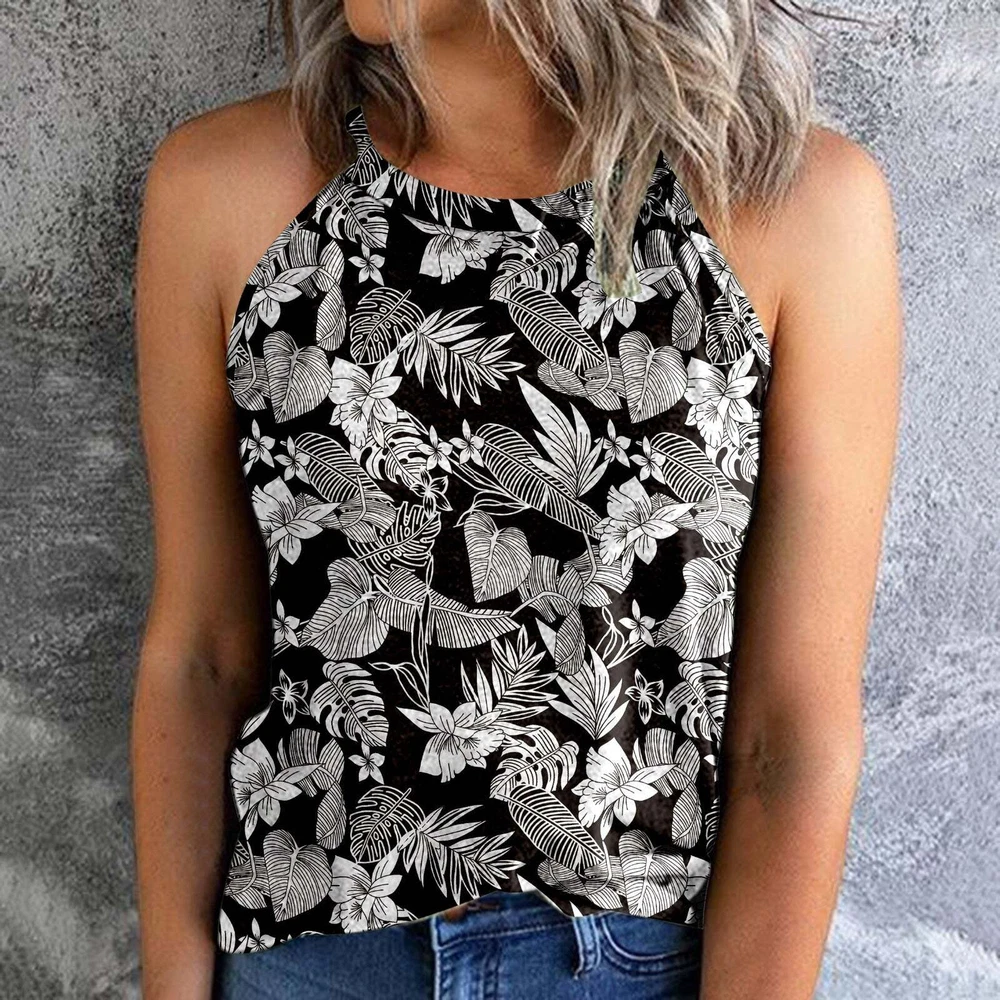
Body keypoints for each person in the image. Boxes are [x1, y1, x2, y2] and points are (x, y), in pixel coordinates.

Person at [130, 2, 902, 998]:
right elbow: (200, 656)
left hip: (633, 968)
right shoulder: (223, 192)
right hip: (312, 961)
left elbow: (789, 734)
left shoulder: (794, 209)